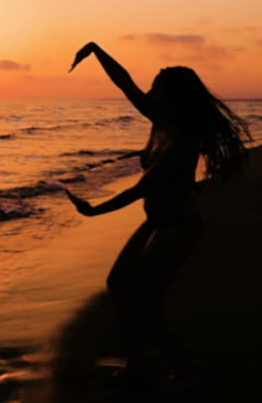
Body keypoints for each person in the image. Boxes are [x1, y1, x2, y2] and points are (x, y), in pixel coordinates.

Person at [64, 42, 250, 387]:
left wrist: (95, 210)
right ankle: (137, 361)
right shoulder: (159, 120)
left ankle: (182, 368)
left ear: (173, 97)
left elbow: (142, 189)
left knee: (146, 303)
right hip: (157, 222)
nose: (148, 93)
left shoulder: (182, 139)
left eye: (156, 89)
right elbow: (125, 83)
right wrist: (95, 50)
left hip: (179, 227)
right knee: (118, 284)